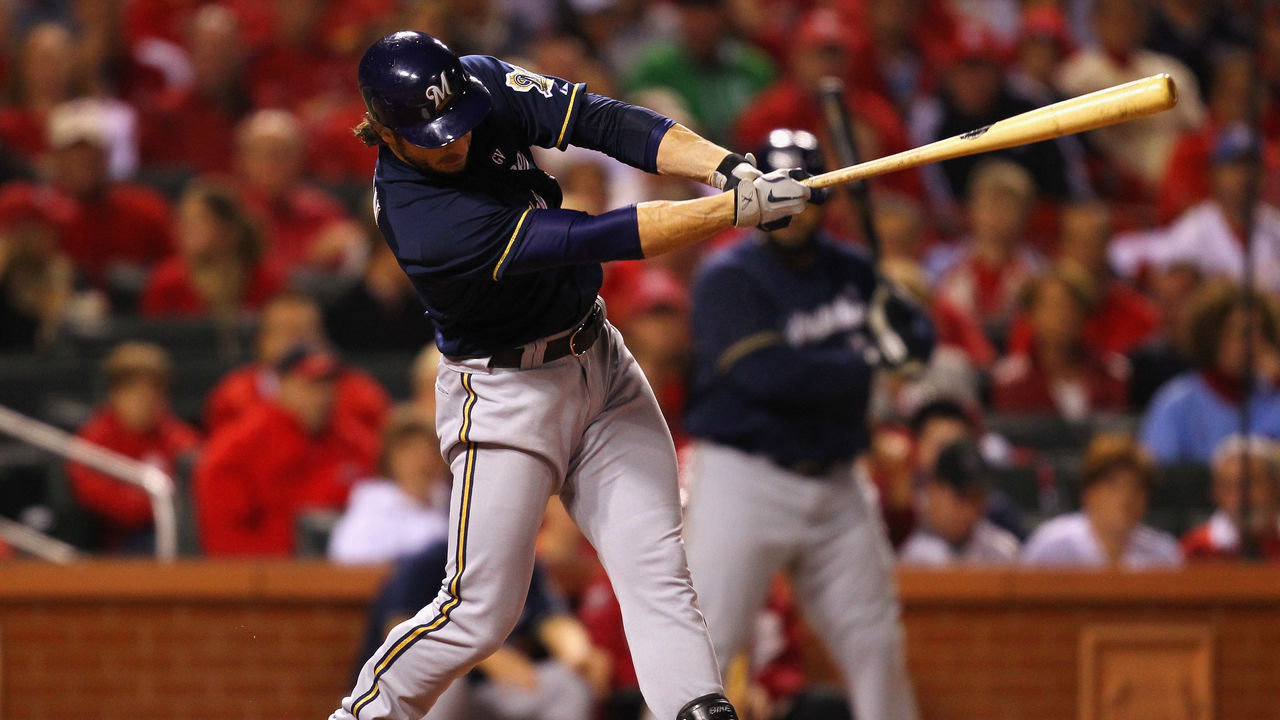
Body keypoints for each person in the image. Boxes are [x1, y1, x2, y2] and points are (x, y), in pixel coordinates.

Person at [332, 30, 827, 720]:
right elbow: (589, 237)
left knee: (658, 566)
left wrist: (728, 170)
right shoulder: (422, 219)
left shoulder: (477, 82)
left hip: (599, 360)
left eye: (456, 123)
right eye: (431, 134)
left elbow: (604, 121)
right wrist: (732, 213)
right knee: (480, 611)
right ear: (385, 129)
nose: (454, 141)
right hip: (506, 393)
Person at [682, 129, 930, 720]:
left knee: (876, 644)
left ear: (823, 197)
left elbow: (917, 333)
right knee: (704, 649)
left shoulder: (852, 269)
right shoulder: (728, 276)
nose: (792, 205)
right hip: (744, 479)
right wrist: (872, 358)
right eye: (780, 191)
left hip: (837, 482)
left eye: (803, 192)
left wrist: (905, 340)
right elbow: (771, 376)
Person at [355, 538, 609, 720]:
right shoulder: (431, 559)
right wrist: (484, 656)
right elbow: (398, 633)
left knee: (568, 686)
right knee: (442, 679)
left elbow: (552, 621)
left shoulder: (523, 561)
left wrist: (578, 654)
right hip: (426, 693)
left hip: (491, 694)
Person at [194, 344, 378, 556]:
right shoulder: (238, 447)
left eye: (329, 384)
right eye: (311, 384)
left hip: (351, 570)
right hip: (273, 577)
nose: (323, 395)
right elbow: (226, 541)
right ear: (282, 384)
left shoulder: (355, 440)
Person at [66, 342, 201, 552]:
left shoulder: (176, 435)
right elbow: (91, 491)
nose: (143, 401)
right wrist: (151, 504)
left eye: (152, 392)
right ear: (114, 394)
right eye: (133, 392)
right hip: (116, 541)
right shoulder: (96, 437)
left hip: (171, 531)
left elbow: (197, 479)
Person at [205, 291, 390, 435]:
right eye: (284, 331)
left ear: (323, 339)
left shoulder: (361, 394)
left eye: (306, 331)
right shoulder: (232, 396)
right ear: (261, 342)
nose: (296, 341)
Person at [1141, 281, 1280, 464]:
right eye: (1243, 333)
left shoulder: (1273, 396)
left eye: (1260, 332)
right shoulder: (1177, 402)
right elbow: (1160, 475)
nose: (1254, 343)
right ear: (1212, 337)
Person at [1022, 433, 1183, 568]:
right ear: (1089, 493)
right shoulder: (1052, 546)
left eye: (1137, 488)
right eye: (1114, 486)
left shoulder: (1163, 553)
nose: (1126, 498)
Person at [991, 268, 1130, 420]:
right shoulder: (1010, 379)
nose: (1061, 316)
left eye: (1070, 307)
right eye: (1052, 307)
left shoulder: (1113, 372)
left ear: (1084, 314)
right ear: (1031, 316)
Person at [140, 178, 285, 320]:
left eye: (198, 221)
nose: (185, 229)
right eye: (183, 220)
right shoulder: (167, 281)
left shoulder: (264, 280)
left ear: (226, 229)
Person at [328, 407, 451, 565]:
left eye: (430, 450)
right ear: (390, 459)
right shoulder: (373, 505)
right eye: (411, 450)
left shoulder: (452, 503)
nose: (423, 460)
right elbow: (349, 560)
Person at [899, 440, 1021, 565]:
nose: (969, 511)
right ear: (934, 488)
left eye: (976, 499)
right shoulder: (901, 532)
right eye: (961, 497)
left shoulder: (1001, 550)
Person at [1181, 435, 1280, 561]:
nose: (1241, 497)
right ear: (1215, 493)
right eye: (1229, 486)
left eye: (1249, 484)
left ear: (1276, 486)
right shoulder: (1196, 549)